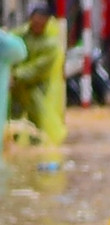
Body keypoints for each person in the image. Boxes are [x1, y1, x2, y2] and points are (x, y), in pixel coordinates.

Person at [7, 3, 64, 146]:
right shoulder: (18, 35)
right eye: (36, 21)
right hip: (15, 90)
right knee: (11, 124)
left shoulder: (51, 44)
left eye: (42, 22)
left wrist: (16, 75)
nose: (38, 25)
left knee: (39, 126)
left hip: (37, 90)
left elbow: (38, 68)